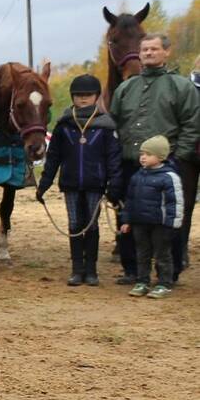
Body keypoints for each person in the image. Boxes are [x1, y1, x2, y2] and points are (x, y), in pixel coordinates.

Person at [109, 33, 200, 284]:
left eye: (154, 49)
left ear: (166, 52)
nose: (148, 53)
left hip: (167, 166)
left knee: (168, 219)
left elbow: (192, 124)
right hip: (131, 163)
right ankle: (132, 270)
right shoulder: (126, 88)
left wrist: (178, 157)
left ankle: (169, 272)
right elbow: (114, 123)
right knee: (129, 216)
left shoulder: (181, 86)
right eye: (145, 49)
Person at [36, 74, 122, 286]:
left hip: (96, 184)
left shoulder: (106, 126)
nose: (83, 99)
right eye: (78, 95)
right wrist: (44, 184)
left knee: (91, 226)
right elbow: (54, 157)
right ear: (72, 97)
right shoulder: (64, 125)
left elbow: (113, 159)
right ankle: (77, 269)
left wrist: (114, 185)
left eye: (88, 95)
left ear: (96, 97)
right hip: (71, 183)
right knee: (75, 224)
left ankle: (91, 270)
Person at [119, 135, 183, 299]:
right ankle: (142, 281)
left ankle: (164, 283)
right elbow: (130, 200)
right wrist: (126, 220)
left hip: (160, 224)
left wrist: (173, 224)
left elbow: (175, 202)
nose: (143, 157)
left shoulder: (170, 177)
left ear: (160, 156)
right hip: (140, 223)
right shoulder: (137, 177)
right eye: (142, 154)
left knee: (162, 255)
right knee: (142, 254)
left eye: (148, 154)